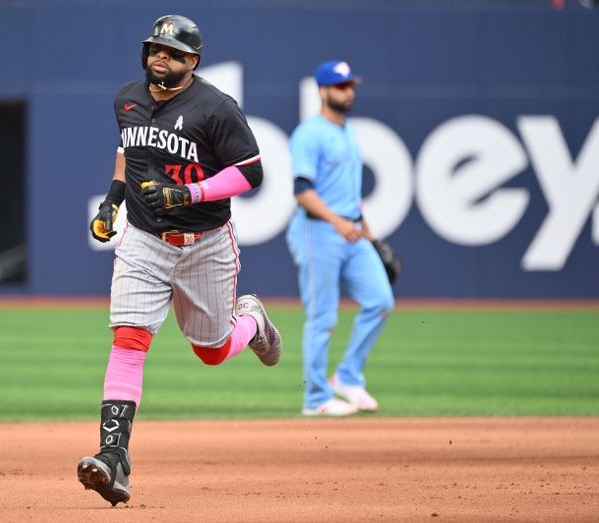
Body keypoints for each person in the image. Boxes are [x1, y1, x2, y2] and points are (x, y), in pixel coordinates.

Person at [77, 14, 282, 506]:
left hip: (205, 243)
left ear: (193, 61)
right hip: (145, 239)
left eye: (171, 52)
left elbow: (251, 173)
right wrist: (112, 200)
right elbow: (128, 149)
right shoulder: (126, 98)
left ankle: (251, 322)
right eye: (154, 49)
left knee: (210, 349)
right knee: (129, 338)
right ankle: (112, 455)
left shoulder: (215, 108)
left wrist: (189, 193)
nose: (159, 58)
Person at [286, 60, 395, 417]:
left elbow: (348, 189)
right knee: (323, 317)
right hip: (318, 231)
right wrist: (337, 221)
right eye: (341, 86)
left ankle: (347, 376)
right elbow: (302, 190)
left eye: (351, 85)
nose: (348, 91)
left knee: (380, 301)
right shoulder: (309, 133)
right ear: (323, 90)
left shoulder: (349, 131)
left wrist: (364, 225)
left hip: (351, 229)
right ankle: (314, 399)